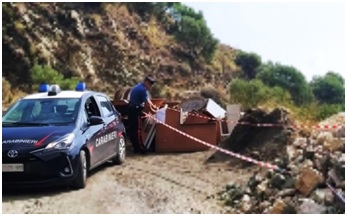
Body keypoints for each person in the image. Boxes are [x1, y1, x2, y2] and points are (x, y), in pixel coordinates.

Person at [127, 76, 158, 154]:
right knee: (137, 130)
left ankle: (135, 147)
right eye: (150, 85)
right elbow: (147, 104)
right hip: (135, 110)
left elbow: (148, 100)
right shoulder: (142, 90)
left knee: (133, 129)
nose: (150, 87)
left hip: (132, 109)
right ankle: (139, 148)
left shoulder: (139, 86)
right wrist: (154, 111)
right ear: (146, 82)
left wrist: (153, 107)